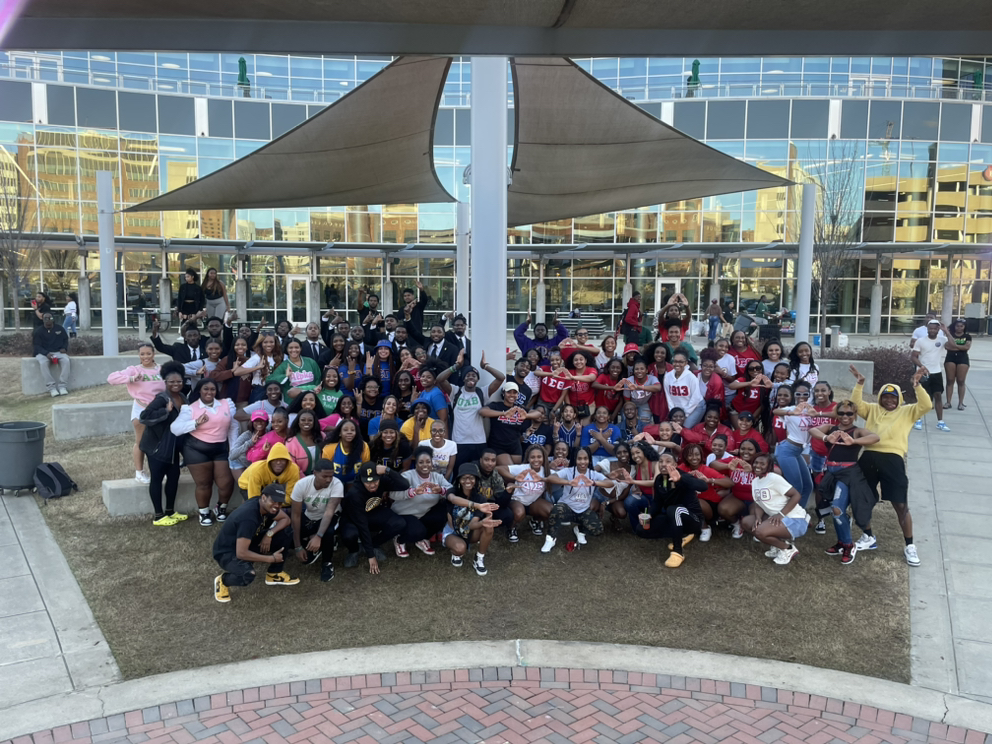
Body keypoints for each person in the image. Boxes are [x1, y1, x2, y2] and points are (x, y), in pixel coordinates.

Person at [850, 364, 931, 566]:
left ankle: (909, 546)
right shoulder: (872, 409)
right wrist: (859, 385)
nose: (889, 401)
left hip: (893, 459)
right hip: (869, 457)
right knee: (863, 499)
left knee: (900, 504)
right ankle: (868, 536)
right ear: (880, 398)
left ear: (899, 399)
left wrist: (917, 385)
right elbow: (855, 405)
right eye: (885, 397)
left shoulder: (908, 411)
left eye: (893, 398)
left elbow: (926, 406)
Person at [810, 403, 880, 565]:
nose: (845, 416)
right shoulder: (831, 428)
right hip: (831, 473)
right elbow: (812, 430)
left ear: (854, 415)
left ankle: (849, 545)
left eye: (849, 413)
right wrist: (826, 438)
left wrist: (853, 441)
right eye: (841, 413)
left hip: (848, 474)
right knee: (835, 510)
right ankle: (842, 542)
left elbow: (875, 437)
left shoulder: (857, 431)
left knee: (837, 508)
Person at [212, 484, 299, 603]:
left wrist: (269, 534)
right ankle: (223, 580)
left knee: (287, 532)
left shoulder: (264, 505)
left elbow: (286, 519)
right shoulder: (248, 517)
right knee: (247, 575)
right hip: (227, 552)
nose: (277, 506)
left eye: (280, 503)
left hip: (249, 541)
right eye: (274, 501)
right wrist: (271, 559)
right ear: (263, 497)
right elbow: (241, 553)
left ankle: (274, 574)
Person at [171, 378, 239, 526]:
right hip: (196, 449)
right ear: (199, 391)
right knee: (203, 483)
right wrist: (195, 423)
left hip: (220, 449)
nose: (209, 392)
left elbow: (233, 427)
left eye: (212, 389)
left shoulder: (227, 403)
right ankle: (204, 512)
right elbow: (175, 428)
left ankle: (221, 507)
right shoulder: (190, 408)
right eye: (206, 389)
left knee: (226, 483)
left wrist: (233, 449)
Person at [624, 453, 708, 568]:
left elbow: (703, 486)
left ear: (675, 465)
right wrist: (648, 515)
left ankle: (678, 552)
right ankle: (681, 535)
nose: (663, 464)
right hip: (673, 518)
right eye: (661, 461)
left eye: (668, 461)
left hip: (693, 519)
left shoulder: (683, 475)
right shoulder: (659, 479)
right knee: (641, 530)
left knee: (673, 510)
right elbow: (657, 503)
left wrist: (681, 479)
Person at [137, 362, 189, 526]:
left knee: (174, 478)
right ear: (165, 382)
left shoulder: (183, 397)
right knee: (157, 479)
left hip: (172, 447)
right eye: (172, 382)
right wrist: (165, 411)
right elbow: (144, 416)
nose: (176, 384)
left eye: (179, 381)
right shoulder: (161, 398)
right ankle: (158, 516)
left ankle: (170, 511)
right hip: (157, 447)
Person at [437, 350, 505, 470]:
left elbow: (501, 378)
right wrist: (456, 367)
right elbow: (440, 379)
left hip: (479, 441)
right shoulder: (455, 391)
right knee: (459, 472)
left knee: (478, 473)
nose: (471, 377)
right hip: (459, 441)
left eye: (474, 375)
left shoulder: (482, 392)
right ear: (463, 379)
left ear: (477, 379)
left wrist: (486, 367)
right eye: (467, 375)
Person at [107, 342, 164, 483]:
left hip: (159, 409)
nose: (146, 357)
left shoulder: (161, 369)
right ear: (138, 355)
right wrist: (131, 379)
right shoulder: (134, 370)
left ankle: (161, 471)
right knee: (141, 441)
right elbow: (111, 378)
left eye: (148, 353)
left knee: (161, 441)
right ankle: (139, 472)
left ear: (154, 354)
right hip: (141, 407)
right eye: (142, 354)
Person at [540, 446, 615, 552]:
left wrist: (593, 483)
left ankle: (579, 530)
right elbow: (551, 478)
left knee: (597, 529)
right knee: (557, 510)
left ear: (589, 460)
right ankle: (551, 539)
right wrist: (569, 482)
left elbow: (610, 483)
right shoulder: (568, 471)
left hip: (583, 510)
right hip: (567, 508)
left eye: (585, 458)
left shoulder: (593, 474)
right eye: (579, 459)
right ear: (575, 459)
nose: (582, 462)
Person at [340, 462, 410, 573]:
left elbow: (404, 485)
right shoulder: (354, 494)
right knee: (350, 535)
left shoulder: (383, 481)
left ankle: (374, 543)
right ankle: (354, 550)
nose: (372, 485)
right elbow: (362, 525)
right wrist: (371, 556)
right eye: (368, 482)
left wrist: (388, 470)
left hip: (372, 512)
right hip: (353, 518)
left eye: (375, 481)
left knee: (399, 523)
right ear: (361, 479)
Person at [742, 453, 808, 565]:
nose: (758, 466)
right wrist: (758, 517)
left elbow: (796, 495)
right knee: (747, 522)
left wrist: (781, 514)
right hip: (776, 518)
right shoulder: (755, 482)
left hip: (795, 519)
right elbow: (758, 503)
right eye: (756, 463)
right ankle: (777, 545)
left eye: (762, 464)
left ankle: (787, 549)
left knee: (760, 531)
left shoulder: (774, 478)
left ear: (769, 466)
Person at [391, 446, 454, 558]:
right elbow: (392, 494)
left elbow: (452, 490)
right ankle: (399, 540)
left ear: (432, 463)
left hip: (424, 514)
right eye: (421, 462)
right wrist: (412, 492)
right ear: (416, 464)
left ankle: (422, 539)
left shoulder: (437, 477)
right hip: (405, 514)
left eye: (428, 462)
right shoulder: (407, 476)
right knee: (417, 532)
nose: (425, 465)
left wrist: (441, 490)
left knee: (445, 509)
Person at [443, 463, 503, 574]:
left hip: (469, 532)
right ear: (459, 479)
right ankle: (456, 552)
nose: (468, 481)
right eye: (464, 477)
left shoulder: (480, 498)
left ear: (476, 480)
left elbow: (471, 525)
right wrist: (477, 506)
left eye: (471, 477)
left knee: (488, 527)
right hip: (453, 531)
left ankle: (479, 558)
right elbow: (453, 499)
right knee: (460, 549)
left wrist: (483, 522)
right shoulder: (452, 491)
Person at [289, 461, 343, 583]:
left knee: (328, 532)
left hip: (331, 516)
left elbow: (329, 512)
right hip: (310, 516)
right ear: (315, 473)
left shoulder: (337, 484)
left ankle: (327, 563)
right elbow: (296, 515)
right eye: (325, 476)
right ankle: (312, 542)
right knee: (290, 533)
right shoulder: (301, 485)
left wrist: (318, 536)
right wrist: (298, 547)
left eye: (331, 476)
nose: (328, 480)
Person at [769, 382, 815, 512]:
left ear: (810, 395)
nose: (802, 397)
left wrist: (816, 413)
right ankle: (787, 515)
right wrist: (792, 412)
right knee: (796, 487)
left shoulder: (812, 410)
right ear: (794, 395)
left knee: (808, 486)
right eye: (798, 394)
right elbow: (775, 411)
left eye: (805, 394)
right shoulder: (791, 409)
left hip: (798, 451)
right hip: (787, 450)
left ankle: (799, 513)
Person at [499, 444, 555, 542]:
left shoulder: (546, 471)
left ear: (544, 458)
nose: (536, 460)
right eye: (532, 457)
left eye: (539, 457)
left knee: (551, 511)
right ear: (528, 458)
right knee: (519, 513)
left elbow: (563, 476)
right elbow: (499, 468)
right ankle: (512, 528)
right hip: (517, 501)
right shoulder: (523, 468)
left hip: (533, 502)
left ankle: (535, 521)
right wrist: (514, 477)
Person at [679, 443, 732, 542]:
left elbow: (730, 483)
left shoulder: (706, 470)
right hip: (690, 504)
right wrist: (685, 478)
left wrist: (710, 480)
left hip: (709, 506)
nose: (694, 458)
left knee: (693, 500)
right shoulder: (682, 468)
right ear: (685, 457)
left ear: (701, 456)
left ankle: (705, 528)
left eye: (697, 454)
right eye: (690, 455)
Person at [483, 383, 543, 465]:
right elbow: (482, 411)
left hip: (515, 446)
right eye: (509, 392)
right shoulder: (496, 406)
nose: (512, 395)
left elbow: (538, 414)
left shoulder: (519, 408)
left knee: (516, 470)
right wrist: (503, 414)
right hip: (498, 445)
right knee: (510, 469)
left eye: (515, 393)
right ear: (503, 393)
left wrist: (526, 416)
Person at [910, 319, 949, 431]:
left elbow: (953, 345)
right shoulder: (920, 341)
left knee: (938, 396)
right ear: (927, 329)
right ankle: (918, 419)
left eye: (934, 328)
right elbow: (913, 357)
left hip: (936, 372)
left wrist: (946, 331)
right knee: (921, 397)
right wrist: (921, 366)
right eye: (930, 328)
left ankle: (940, 422)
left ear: (938, 329)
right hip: (922, 372)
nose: (932, 330)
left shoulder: (942, 339)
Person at [233, 333, 284, 403]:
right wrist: (257, 367)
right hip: (260, 390)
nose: (269, 344)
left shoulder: (278, 357)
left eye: (271, 342)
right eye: (265, 342)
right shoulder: (257, 357)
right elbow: (237, 372)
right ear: (261, 343)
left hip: (275, 390)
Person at [320, 419, 370, 486]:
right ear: (340, 433)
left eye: (352, 430)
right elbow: (325, 470)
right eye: (345, 430)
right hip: (334, 483)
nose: (349, 432)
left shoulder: (363, 446)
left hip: (356, 483)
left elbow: (365, 468)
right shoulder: (329, 449)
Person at [664, 350, 705, 428]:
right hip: (680, 408)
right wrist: (673, 413)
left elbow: (695, 398)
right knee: (674, 427)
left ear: (686, 363)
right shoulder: (668, 376)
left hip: (696, 406)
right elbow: (668, 397)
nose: (677, 364)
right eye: (675, 361)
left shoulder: (691, 377)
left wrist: (685, 414)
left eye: (681, 362)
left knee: (685, 427)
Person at [33, 313, 71, 397]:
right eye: (46, 318)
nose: (48, 320)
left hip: (58, 352)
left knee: (66, 360)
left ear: (53, 319)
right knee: (43, 363)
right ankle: (51, 387)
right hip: (43, 353)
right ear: (43, 320)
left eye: (50, 318)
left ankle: (62, 386)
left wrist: (64, 348)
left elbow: (65, 339)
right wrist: (46, 354)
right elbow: (37, 346)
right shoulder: (38, 331)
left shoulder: (60, 329)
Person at [944, 318, 971, 412]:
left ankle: (960, 403)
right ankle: (948, 402)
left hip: (962, 359)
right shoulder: (950, 335)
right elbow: (947, 346)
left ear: (964, 327)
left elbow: (967, 347)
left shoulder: (967, 336)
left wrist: (954, 346)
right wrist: (960, 347)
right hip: (950, 358)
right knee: (950, 380)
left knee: (961, 380)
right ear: (954, 326)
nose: (959, 328)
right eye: (957, 326)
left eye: (961, 326)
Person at [285, 410, 322, 476]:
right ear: (298, 422)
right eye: (303, 420)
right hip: (299, 478)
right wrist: (306, 479)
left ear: (314, 422)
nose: (306, 422)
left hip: (321, 477)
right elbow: (292, 466)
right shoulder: (291, 442)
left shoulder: (322, 436)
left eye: (310, 420)